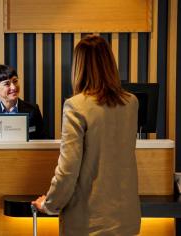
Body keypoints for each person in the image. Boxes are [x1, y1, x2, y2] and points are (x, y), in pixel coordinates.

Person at [32, 35, 141, 235]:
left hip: (89, 223)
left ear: (79, 66)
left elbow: (68, 170)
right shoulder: (131, 102)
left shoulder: (76, 105)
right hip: (126, 219)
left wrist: (49, 204)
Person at [0, 64, 46, 139]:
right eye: (7, 84)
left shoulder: (33, 110)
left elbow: (42, 142)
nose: (13, 87)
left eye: (15, 81)